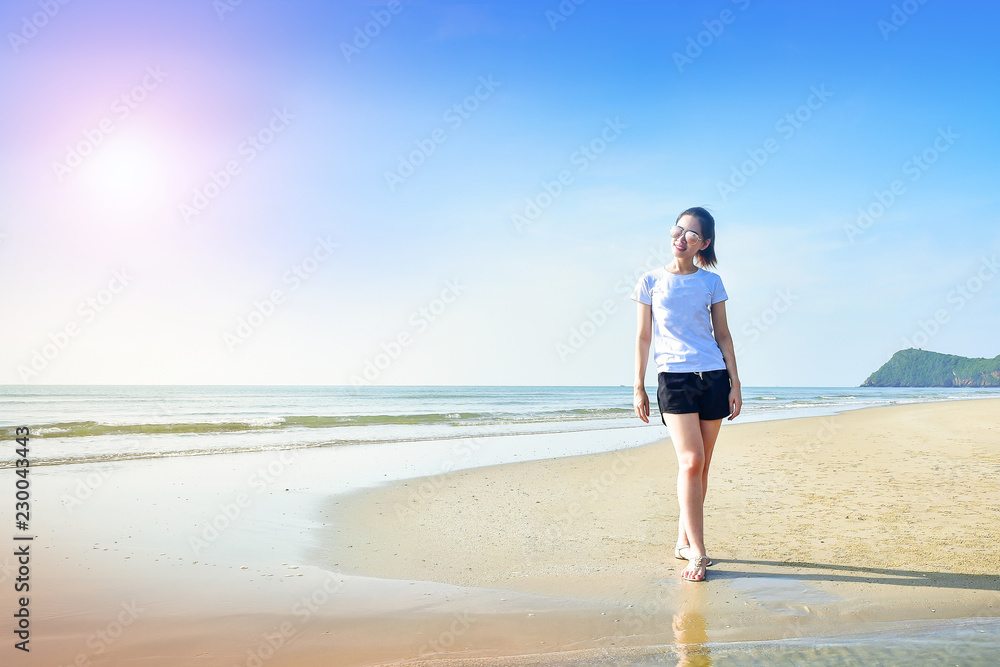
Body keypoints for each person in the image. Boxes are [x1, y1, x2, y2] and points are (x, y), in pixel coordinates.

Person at [630, 206, 742, 583]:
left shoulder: (711, 283)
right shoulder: (650, 281)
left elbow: (723, 335)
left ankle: (682, 540)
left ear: (704, 243)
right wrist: (638, 386)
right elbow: (643, 336)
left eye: (691, 235)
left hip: (713, 377)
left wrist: (736, 384)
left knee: (702, 467)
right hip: (673, 380)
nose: (681, 238)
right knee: (691, 462)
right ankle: (698, 552)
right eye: (678, 230)